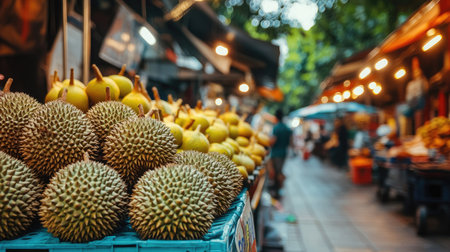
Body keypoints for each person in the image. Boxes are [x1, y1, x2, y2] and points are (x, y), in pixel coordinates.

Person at [270, 109, 292, 199]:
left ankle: (279, 190)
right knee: (279, 170)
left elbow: (273, 141)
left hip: (276, 153)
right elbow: (291, 142)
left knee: (277, 172)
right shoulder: (287, 128)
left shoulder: (276, 127)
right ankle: (278, 189)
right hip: (283, 152)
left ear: (276, 117)